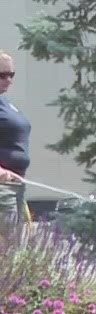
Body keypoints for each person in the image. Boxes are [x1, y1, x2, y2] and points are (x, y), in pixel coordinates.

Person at [0, 52, 31, 219]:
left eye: (11, 75)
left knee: (18, 241)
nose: (8, 80)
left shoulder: (6, 103)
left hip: (17, 184)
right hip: (2, 186)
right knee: (7, 239)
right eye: (2, 75)